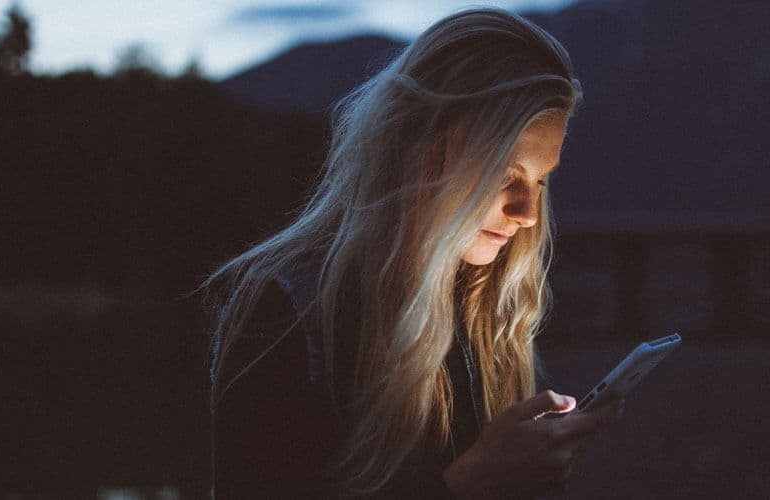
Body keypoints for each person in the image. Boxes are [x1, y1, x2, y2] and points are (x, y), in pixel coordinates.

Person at [200, 7, 623, 499]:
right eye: (506, 174)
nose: (528, 213)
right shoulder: (290, 311)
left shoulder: (478, 306)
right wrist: (472, 484)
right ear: (421, 148)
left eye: (540, 180)